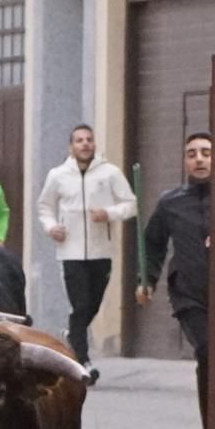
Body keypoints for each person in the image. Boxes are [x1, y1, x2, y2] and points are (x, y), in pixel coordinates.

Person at [36, 124, 137, 384]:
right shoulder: (58, 175)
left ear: (94, 144)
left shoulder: (110, 173)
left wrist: (109, 214)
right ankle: (83, 360)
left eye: (89, 140)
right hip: (70, 252)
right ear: (71, 146)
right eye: (79, 140)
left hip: (101, 251)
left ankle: (73, 333)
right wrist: (51, 227)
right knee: (80, 305)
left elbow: (131, 204)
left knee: (92, 304)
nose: (85, 144)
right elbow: (44, 206)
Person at [138, 132, 214, 429]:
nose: (199, 159)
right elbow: (153, 243)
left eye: (206, 152)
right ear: (185, 161)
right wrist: (146, 280)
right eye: (192, 153)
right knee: (208, 350)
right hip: (189, 295)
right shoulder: (171, 203)